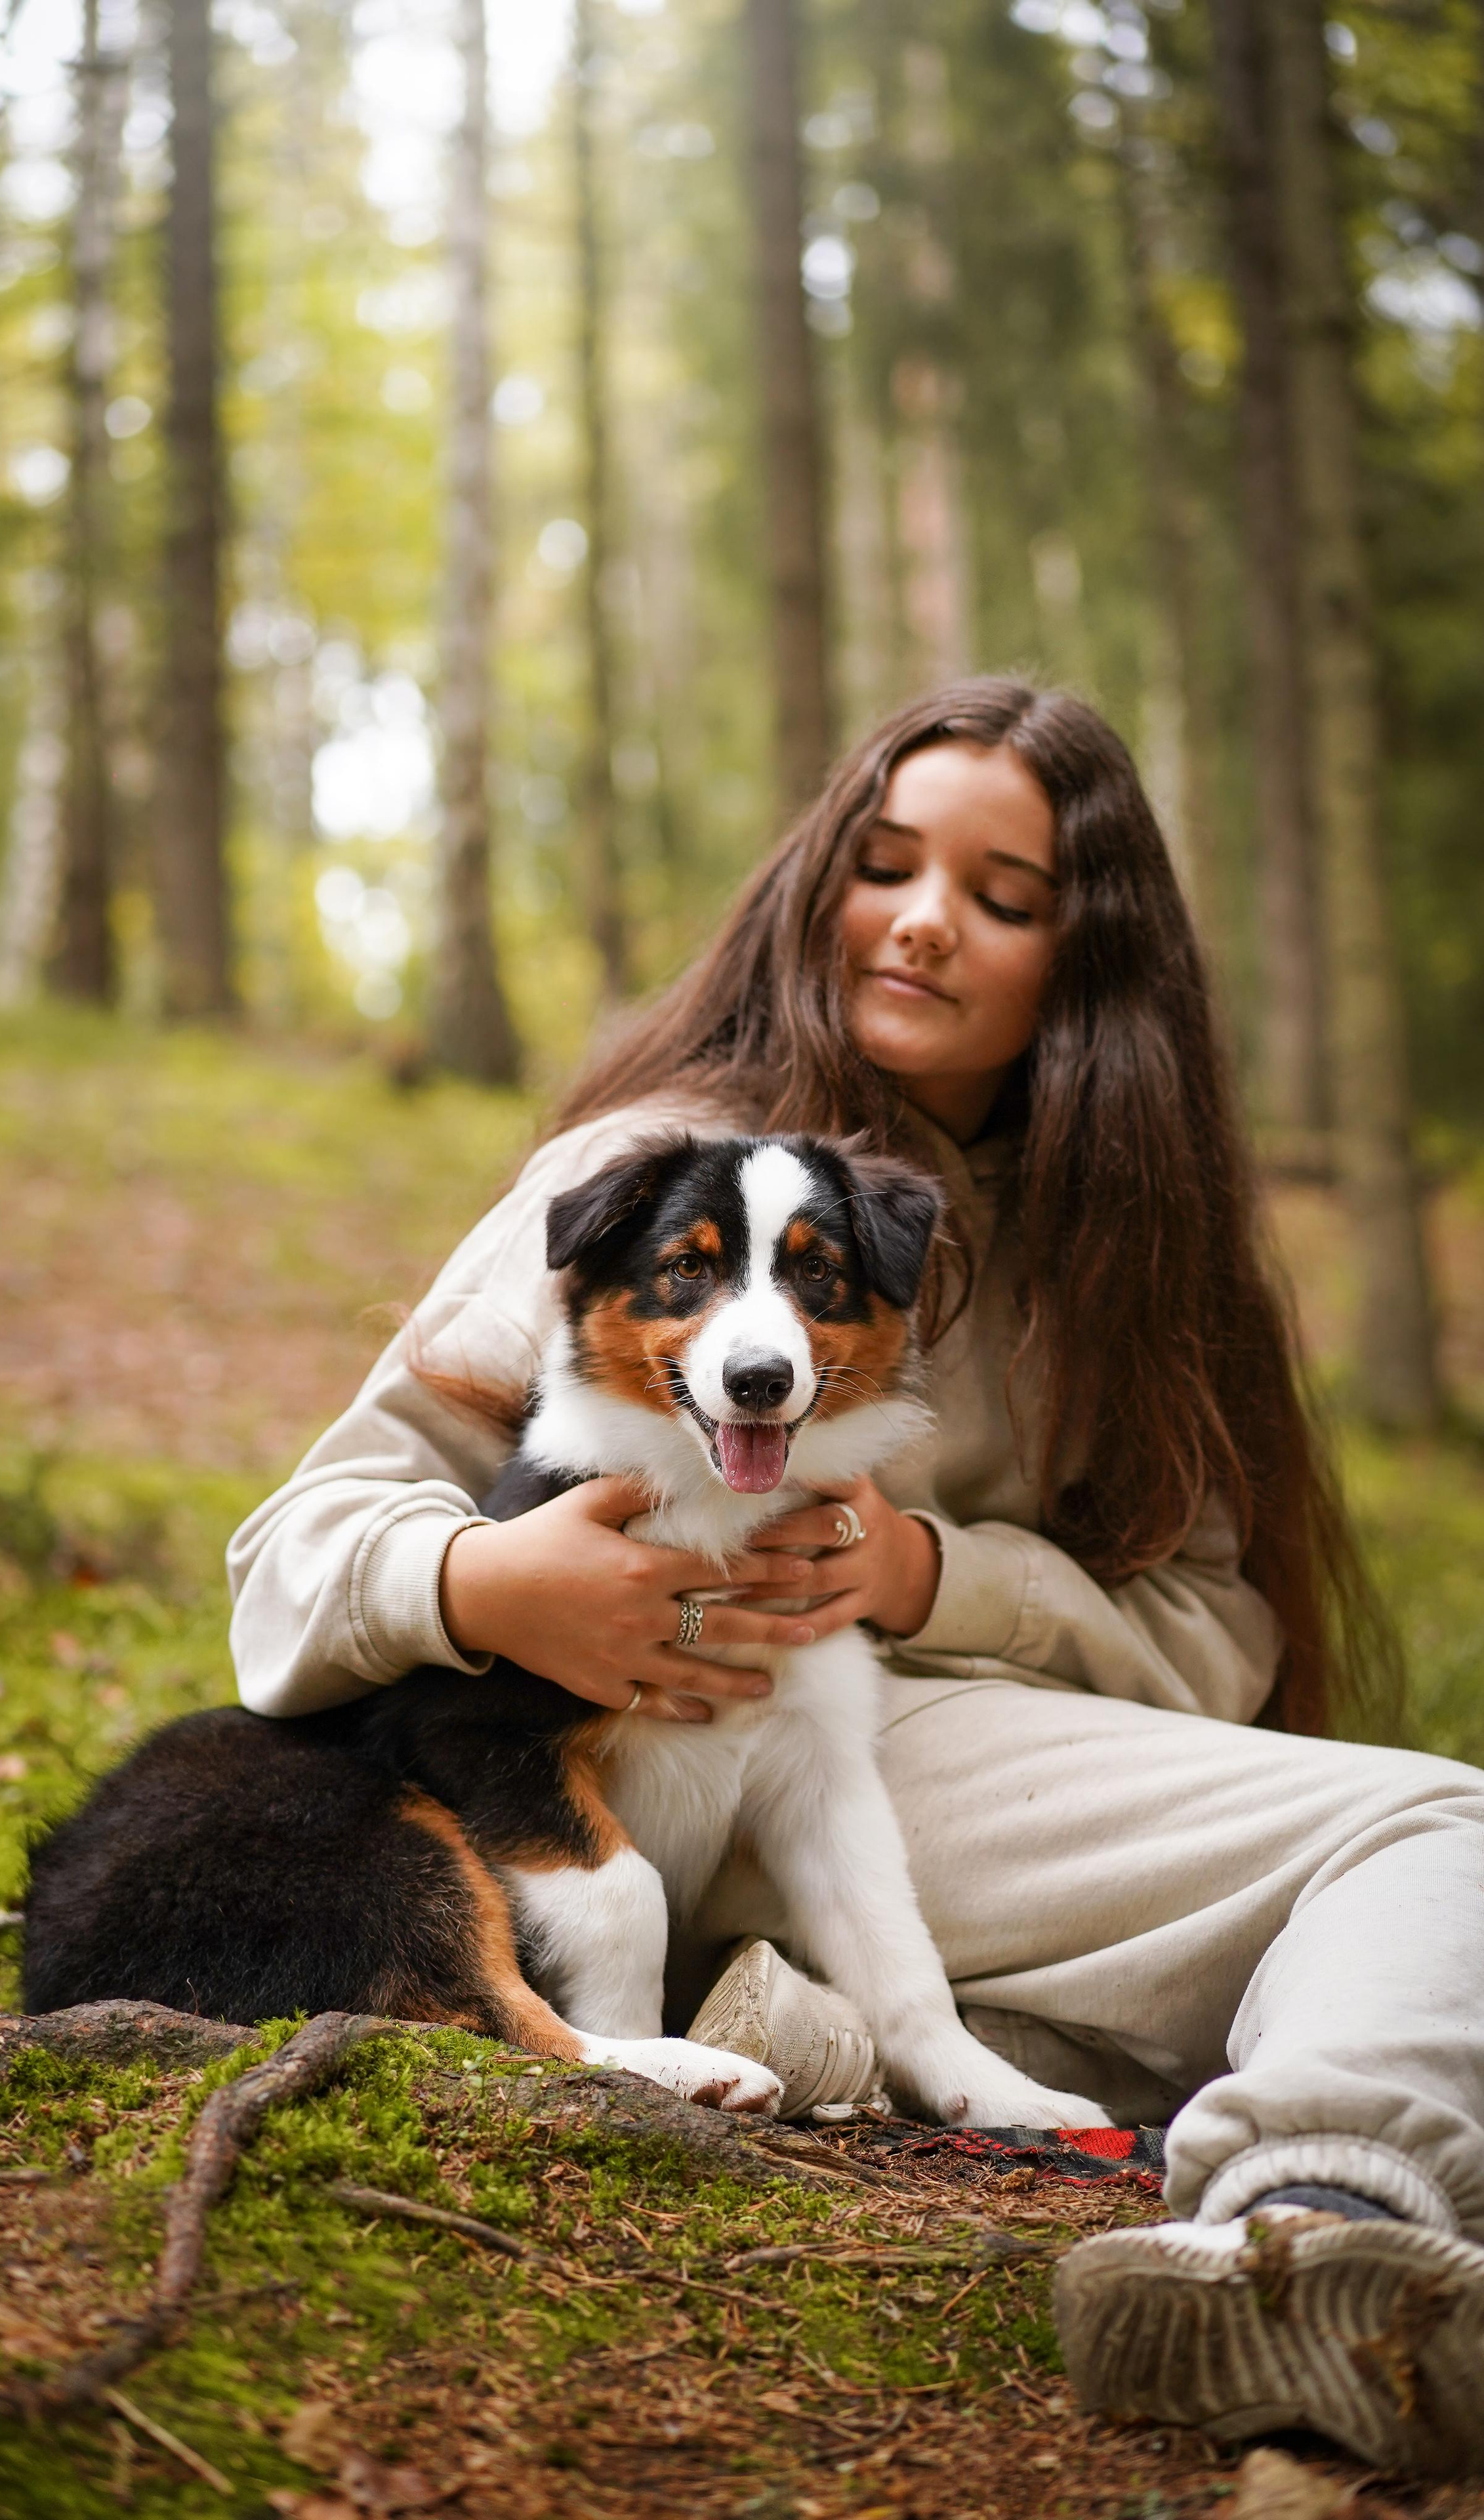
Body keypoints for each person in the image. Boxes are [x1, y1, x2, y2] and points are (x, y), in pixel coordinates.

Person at [227, 679, 1484, 2473]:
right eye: (883, 866)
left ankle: (866, 2051)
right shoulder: (645, 1176)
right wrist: (487, 1584)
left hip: (917, 1767)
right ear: (818, 883)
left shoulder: (1128, 1243)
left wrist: (926, 1574)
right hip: (608, 1793)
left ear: (1090, 954)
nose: (921, 921)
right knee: (1443, 1841)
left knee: (1397, 1922)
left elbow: (1223, 1637)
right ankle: (1306, 2231)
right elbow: (295, 1553)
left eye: (1002, 894)